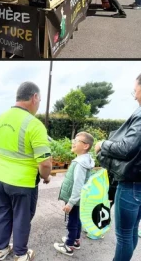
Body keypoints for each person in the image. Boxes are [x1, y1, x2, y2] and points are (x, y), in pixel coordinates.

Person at [0, 81, 52, 261]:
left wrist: (3, 168)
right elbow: (45, 163)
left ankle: (1, 250)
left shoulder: (0, 119)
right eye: (39, 100)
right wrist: (45, 177)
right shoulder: (34, 124)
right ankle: (20, 254)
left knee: (2, 214)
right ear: (34, 97)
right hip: (23, 183)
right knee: (21, 218)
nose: (39, 104)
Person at [95, 74, 141, 261]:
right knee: (132, 231)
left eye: (135, 91)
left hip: (131, 185)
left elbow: (126, 148)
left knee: (124, 235)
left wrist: (102, 144)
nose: (135, 96)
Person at [53, 131, 95, 256]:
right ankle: (76, 240)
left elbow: (78, 184)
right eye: (73, 140)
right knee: (77, 219)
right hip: (79, 198)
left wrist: (70, 203)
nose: (73, 143)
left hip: (75, 198)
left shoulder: (80, 163)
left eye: (76, 141)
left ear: (85, 146)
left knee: (72, 221)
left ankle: (69, 245)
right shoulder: (84, 159)